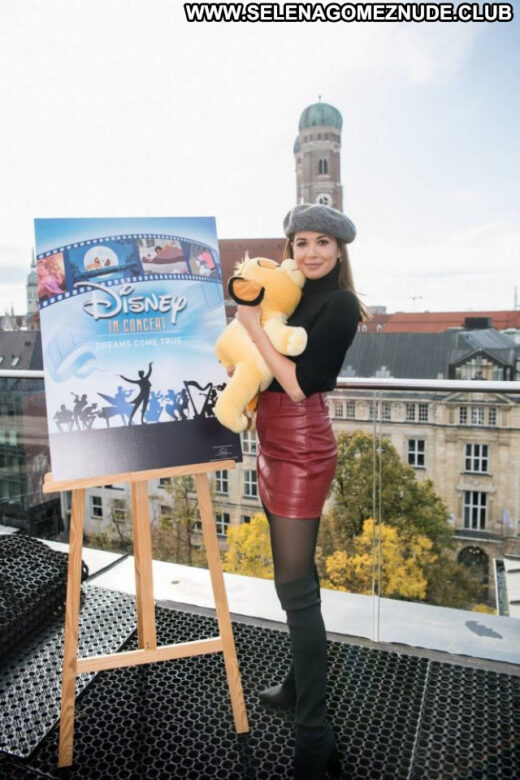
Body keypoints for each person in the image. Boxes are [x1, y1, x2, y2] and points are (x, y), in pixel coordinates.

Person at [235, 203, 369, 780]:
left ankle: (315, 733)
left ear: (339, 251)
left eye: (322, 242)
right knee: (296, 580)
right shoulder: (291, 295)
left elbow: (299, 384)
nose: (310, 252)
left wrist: (249, 327)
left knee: (294, 589)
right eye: (301, 242)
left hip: (302, 447)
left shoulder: (339, 303)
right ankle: (297, 685)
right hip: (272, 442)